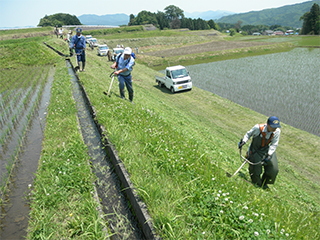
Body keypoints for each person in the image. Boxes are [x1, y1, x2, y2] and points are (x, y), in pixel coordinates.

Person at [238, 116, 281, 189]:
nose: (274, 129)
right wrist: (243, 141)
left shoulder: (277, 131)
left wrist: (269, 154)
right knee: (256, 170)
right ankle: (258, 183)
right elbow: (248, 134)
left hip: (267, 149)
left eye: (276, 127)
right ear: (267, 125)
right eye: (273, 127)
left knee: (274, 169)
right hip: (255, 150)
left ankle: (265, 182)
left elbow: (274, 144)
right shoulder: (258, 128)